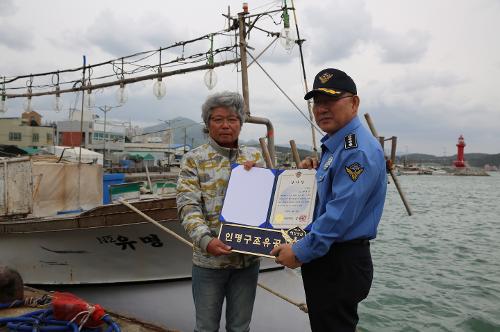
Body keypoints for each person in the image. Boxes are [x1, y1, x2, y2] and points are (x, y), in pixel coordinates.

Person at [271, 68, 387, 332]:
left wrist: (299, 251)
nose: (322, 108)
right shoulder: (338, 146)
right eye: (317, 102)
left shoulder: (356, 150)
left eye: (331, 100)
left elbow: (339, 215)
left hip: (339, 262)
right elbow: (329, 201)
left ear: (354, 103)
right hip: (330, 258)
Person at [176, 91, 264, 332]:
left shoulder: (255, 158)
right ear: (208, 124)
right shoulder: (193, 160)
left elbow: (270, 204)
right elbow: (188, 205)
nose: (225, 125)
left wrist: (261, 177)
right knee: (205, 327)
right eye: (218, 119)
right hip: (208, 262)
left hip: (247, 261)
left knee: (240, 327)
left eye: (232, 119)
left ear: (240, 124)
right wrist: (206, 240)